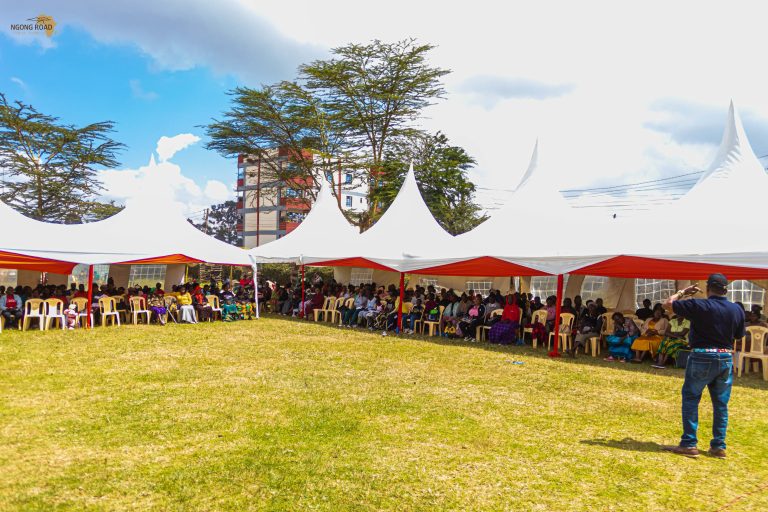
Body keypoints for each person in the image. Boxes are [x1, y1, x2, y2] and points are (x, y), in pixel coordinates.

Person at [662, 275, 745, 459]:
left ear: (708, 289)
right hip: (725, 356)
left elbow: (668, 304)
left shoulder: (699, 305)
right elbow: (739, 335)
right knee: (721, 404)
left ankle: (689, 443)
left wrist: (683, 292)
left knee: (691, 398)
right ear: (725, 289)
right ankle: (718, 447)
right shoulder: (737, 309)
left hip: (701, 355)